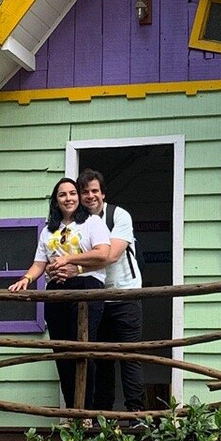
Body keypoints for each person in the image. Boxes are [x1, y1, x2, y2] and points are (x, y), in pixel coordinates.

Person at [9, 177, 111, 410]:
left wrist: (68, 259)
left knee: (83, 349)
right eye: (63, 195)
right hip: (55, 291)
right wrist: (26, 279)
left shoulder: (92, 223)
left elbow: (103, 253)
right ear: (56, 201)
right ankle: (72, 410)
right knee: (63, 352)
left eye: (73, 193)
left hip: (86, 288)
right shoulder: (48, 230)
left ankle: (87, 411)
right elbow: (39, 264)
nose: (69, 198)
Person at [69, 168, 145, 413]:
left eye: (95, 191)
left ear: (103, 193)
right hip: (96, 297)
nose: (90, 196)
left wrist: (76, 267)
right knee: (102, 360)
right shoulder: (75, 222)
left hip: (125, 294)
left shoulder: (118, 215)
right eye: (85, 192)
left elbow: (111, 255)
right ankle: (105, 417)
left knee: (129, 357)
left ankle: (137, 416)